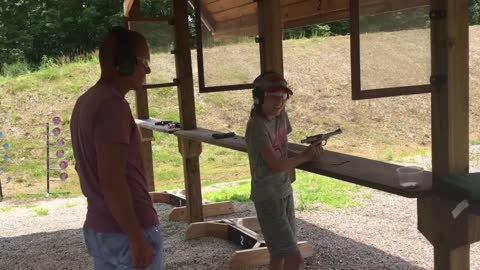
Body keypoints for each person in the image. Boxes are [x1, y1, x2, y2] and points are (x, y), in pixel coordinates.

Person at [70, 26, 163, 270]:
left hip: (101, 226)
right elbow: (112, 180)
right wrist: (136, 237)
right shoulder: (113, 105)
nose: (147, 70)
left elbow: (82, 169)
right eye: (144, 61)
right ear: (123, 64)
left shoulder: (86, 101)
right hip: (125, 231)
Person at [245, 71, 323, 270]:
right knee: (294, 258)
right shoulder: (257, 126)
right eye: (273, 97)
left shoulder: (280, 116)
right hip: (268, 197)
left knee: (279, 254)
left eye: (283, 97)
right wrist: (304, 156)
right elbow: (276, 164)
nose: (279, 102)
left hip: (283, 190)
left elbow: (283, 149)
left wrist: (308, 151)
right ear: (259, 98)